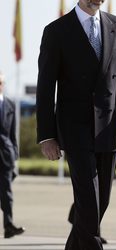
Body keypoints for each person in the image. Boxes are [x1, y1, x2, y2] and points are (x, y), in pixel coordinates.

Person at [36, 0, 116, 249]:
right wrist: (46, 135)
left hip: (108, 128)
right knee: (88, 202)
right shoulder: (56, 30)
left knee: (99, 202)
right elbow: (45, 87)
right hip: (74, 129)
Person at [0, 72, 25, 238]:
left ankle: (8, 226)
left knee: (7, 193)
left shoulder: (10, 104)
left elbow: (12, 134)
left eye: (0, 82)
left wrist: (14, 157)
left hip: (5, 156)